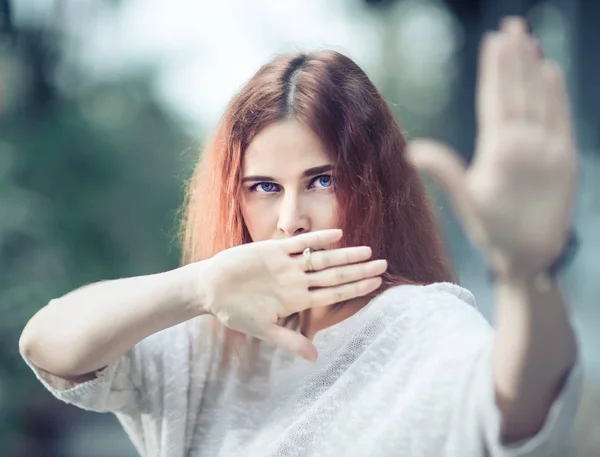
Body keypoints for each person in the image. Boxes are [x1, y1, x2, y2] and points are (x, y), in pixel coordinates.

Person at [19, 16, 582, 457]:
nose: (292, 219)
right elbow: (47, 345)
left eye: (321, 179)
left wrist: (528, 273)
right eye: (263, 187)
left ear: (375, 185)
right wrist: (197, 287)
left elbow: (519, 411)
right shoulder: (200, 336)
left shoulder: (420, 324)